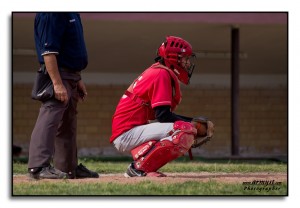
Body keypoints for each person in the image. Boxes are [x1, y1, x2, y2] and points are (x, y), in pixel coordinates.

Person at [110, 36, 214, 177]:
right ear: (173, 58)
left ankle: (141, 167)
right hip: (126, 134)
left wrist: (191, 123)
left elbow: (161, 116)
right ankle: (137, 169)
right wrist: (192, 124)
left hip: (129, 132)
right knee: (184, 130)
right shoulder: (161, 73)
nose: (188, 63)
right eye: (185, 58)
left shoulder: (158, 71)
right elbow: (163, 116)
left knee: (184, 128)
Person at [28, 12, 99, 179]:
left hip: (72, 75)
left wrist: (78, 78)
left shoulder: (72, 12)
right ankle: (38, 167)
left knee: (68, 122)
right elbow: (48, 52)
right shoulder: (51, 11)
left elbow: (71, 47)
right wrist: (57, 83)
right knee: (49, 117)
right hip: (58, 75)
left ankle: (67, 168)